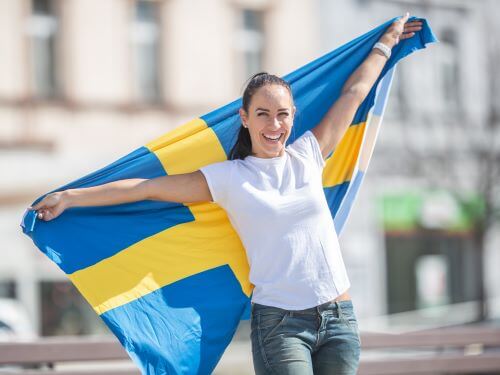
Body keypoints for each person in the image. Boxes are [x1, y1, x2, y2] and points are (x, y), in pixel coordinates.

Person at [29, 14, 422, 375]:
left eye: (283, 114)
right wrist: (72, 197)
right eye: (263, 114)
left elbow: (353, 94)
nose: (274, 124)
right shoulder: (230, 178)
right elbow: (146, 188)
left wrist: (385, 44)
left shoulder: (309, 155)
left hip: (339, 319)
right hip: (282, 327)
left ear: (293, 116)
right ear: (245, 118)